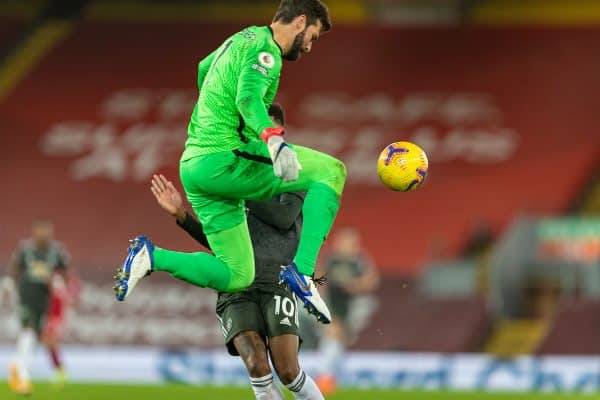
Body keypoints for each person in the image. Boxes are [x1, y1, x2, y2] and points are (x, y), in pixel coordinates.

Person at [114, 0, 345, 324]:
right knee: (332, 172)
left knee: (237, 274)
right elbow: (248, 98)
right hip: (224, 158)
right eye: (313, 36)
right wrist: (274, 140)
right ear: (300, 21)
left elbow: (202, 69)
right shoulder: (267, 52)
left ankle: (152, 256)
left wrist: (214, 116)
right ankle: (303, 273)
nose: (309, 46)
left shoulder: (240, 38)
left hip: (194, 167)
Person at [3, 220, 70, 395]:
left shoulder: (56, 251)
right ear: (34, 233)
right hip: (26, 295)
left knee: (35, 335)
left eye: (46, 232)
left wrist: (60, 281)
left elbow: (65, 269)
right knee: (29, 328)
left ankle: (19, 369)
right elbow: (15, 267)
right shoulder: (25, 249)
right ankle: (21, 372)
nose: (43, 235)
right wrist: (9, 283)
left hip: (44, 299)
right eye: (40, 232)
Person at [315, 226, 379, 394]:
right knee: (332, 338)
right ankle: (326, 377)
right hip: (333, 305)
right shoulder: (330, 260)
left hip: (354, 305)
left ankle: (329, 376)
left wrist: (354, 285)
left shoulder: (359, 261)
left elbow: (372, 281)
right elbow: (319, 281)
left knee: (339, 340)